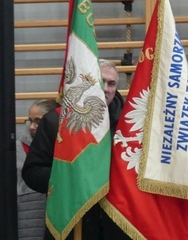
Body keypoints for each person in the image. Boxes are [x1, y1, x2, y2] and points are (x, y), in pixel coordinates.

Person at [22, 59, 128, 240]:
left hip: (116, 224)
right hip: (71, 221)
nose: (107, 89)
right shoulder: (55, 121)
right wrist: (69, 178)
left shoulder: (129, 124)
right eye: (101, 81)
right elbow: (32, 172)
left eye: (112, 84)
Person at [16, 99, 57, 239]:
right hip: (24, 223)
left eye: (38, 121)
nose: (32, 126)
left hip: (52, 220)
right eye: (30, 121)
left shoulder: (65, 154)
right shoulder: (16, 150)